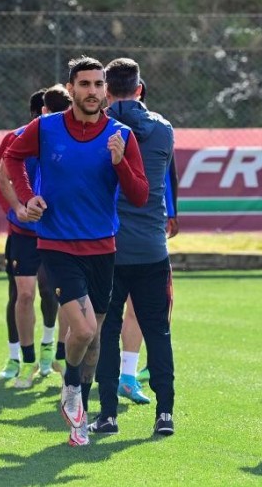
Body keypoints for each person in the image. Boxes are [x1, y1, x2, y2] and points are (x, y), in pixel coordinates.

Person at [3, 55, 148, 447]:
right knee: (81, 329)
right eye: (84, 84)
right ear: (71, 89)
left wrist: (120, 162)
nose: (92, 91)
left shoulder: (121, 135)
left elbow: (139, 195)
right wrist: (26, 200)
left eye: (98, 85)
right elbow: (12, 159)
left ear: (105, 90)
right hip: (56, 244)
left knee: (95, 335)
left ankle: (78, 418)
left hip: (102, 246)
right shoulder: (46, 128)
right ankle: (70, 387)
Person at [89, 58, 176, 437]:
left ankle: (108, 414)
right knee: (158, 331)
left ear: (106, 92)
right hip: (152, 247)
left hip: (109, 248)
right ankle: (165, 414)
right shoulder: (164, 130)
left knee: (106, 331)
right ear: (140, 89)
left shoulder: (98, 130)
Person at [0, 85, 72, 388]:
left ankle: (58, 356)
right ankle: (25, 362)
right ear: (44, 112)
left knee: (63, 296)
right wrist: (17, 205)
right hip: (24, 232)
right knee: (24, 294)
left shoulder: (77, 137)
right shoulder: (22, 136)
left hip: (59, 231)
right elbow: (2, 172)